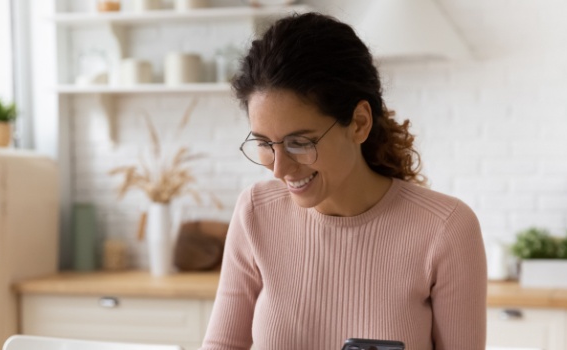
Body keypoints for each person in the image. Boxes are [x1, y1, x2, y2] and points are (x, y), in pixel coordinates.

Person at [200, 12, 486, 350]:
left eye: (299, 142)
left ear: (359, 123)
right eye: (264, 143)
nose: (278, 169)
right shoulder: (255, 213)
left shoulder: (445, 229)